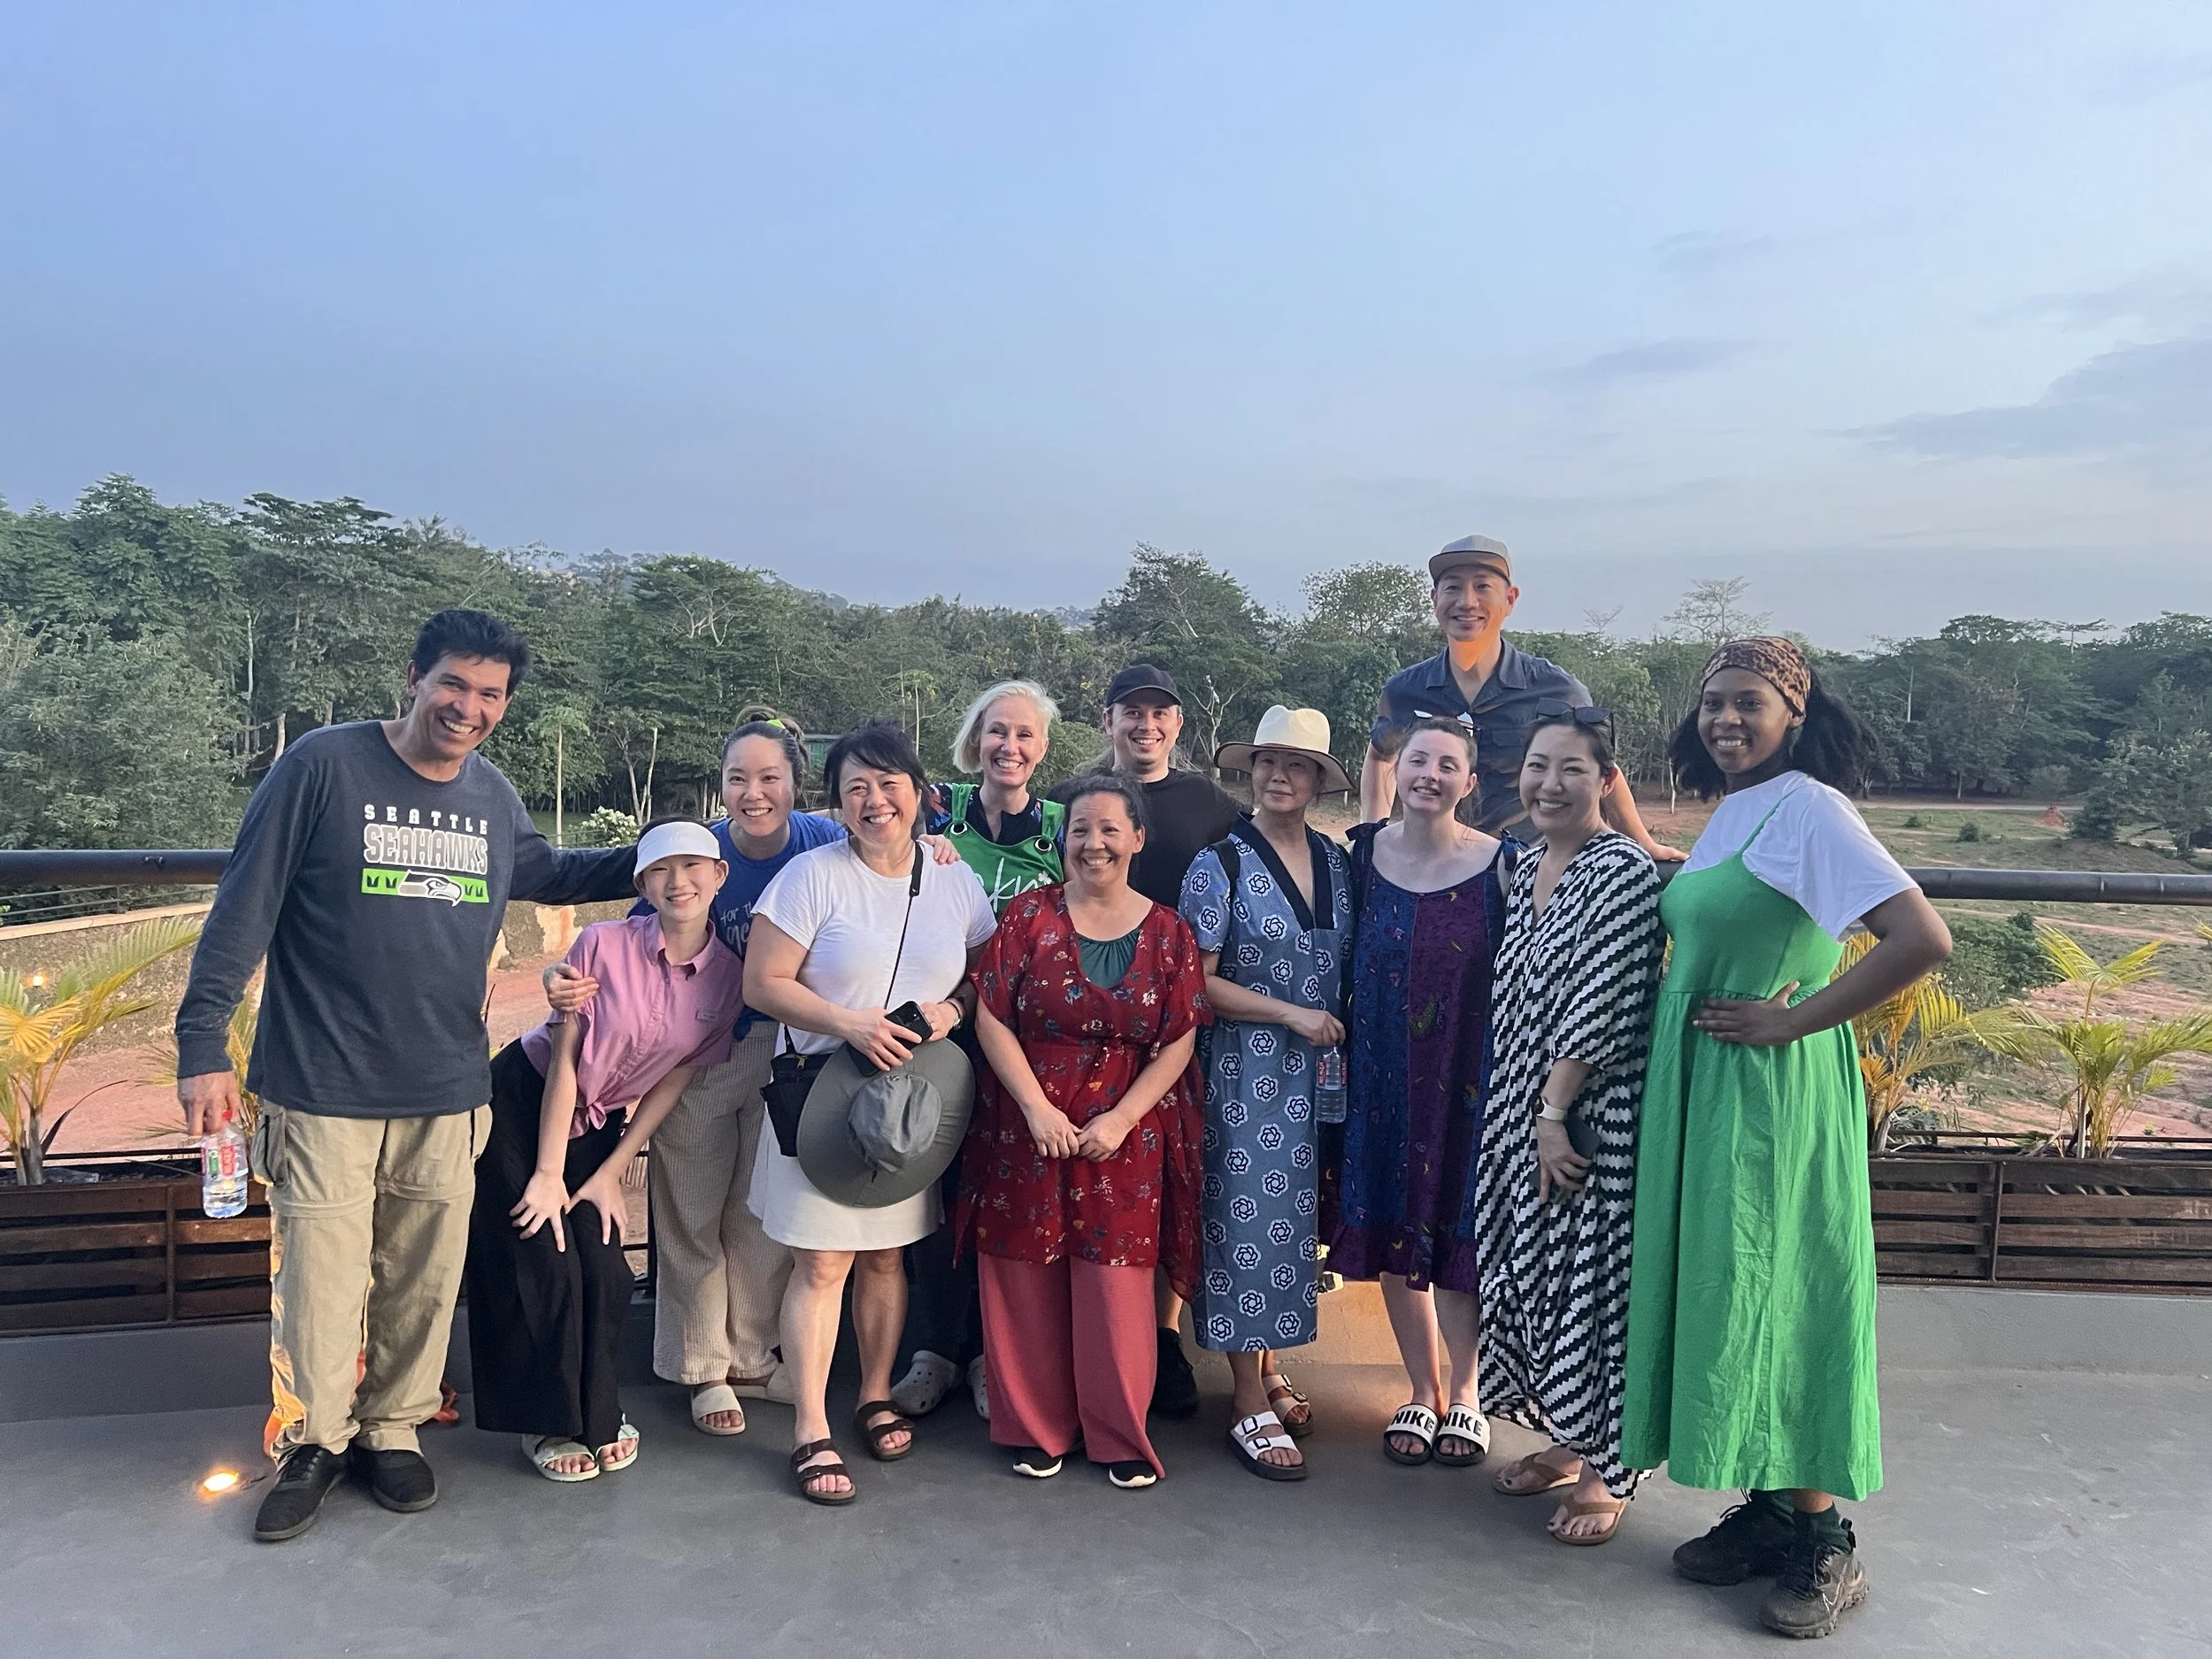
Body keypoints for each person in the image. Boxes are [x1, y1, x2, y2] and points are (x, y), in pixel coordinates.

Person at [173, 610, 639, 1543]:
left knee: (422, 1281)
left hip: (446, 1089)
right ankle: (314, 1442)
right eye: (453, 684)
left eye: (490, 694)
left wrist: (700, 852)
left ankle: (393, 1429)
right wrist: (202, 1044)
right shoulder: (322, 766)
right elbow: (244, 904)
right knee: (319, 1280)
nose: (469, 707)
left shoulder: (492, 795)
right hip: (321, 1084)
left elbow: (553, 870)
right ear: (415, 677)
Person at [1622, 638, 1950, 1640]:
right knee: (1734, 1283)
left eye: (1749, 703)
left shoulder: (1811, 808)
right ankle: (1770, 1509)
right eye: (1713, 703)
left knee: (1784, 1285)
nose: (1726, 719)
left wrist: (1794, 1021)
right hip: (1713, 1085)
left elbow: (1921, 938)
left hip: (1769, 1093)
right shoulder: (1739, 809)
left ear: (1793, 714)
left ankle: (1825, 1539)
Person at [547, 712, 837, 1434]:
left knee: (761, 1210)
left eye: (770, 777)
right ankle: (702, 1363)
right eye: (739, 778)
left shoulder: (821, 842)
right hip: (699, 1052)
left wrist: (937, 845)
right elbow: (632, 939)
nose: (754, 792)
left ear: (795, 782)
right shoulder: (697, 853)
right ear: (722, 785)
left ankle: (750, 1353)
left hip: (789, 1047)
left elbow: (893, 846)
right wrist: (561, 981)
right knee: (692, 1206)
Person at [742, 721, 998, 1505]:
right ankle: (810, 1425)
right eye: (856, 787)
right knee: (822, 1264)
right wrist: (849, 1022)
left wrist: (955, 1008)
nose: (874, 800)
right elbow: (762, 982)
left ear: (921, 793)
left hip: (908, 1107)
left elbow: (982, 971)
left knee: (887, 1257)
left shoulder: (953, 878)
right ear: (838, 802)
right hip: (823, 1095)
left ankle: (874, 1393)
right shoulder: (811, 877)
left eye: (889, 784)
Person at [467, 819, 744, 1481]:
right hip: (524, 1102)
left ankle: (597, 1415)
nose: (677, 882)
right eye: (660, 870)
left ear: (719, 876)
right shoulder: (602, 944)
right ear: (642, 884)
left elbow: (673, 1080)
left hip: (596, 1125)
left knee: (604, 1262)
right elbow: (565, 1058)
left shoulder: (729, 978)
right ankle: (546, 1422)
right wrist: (547, 1171)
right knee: (541, 1254)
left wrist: (612, 1170)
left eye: (692, 866)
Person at [956, 772, 1210, 1487]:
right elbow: (992, 1014)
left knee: (1115, 1280)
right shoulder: (1028, 916)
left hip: (1126, 1130)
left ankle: (1118, 1431)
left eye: (1109, 829)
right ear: (1062, 840)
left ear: (1137, 838)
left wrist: (1125, 1116)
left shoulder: (1170, 931)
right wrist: (1035, 1107)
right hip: (1026, 1120)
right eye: (1080, 830)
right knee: (1024, 1271)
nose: (1093, 843)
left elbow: (1179, 1037)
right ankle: (1036, 1427)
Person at [1474, 706, 1663, 1545]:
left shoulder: (1621, 871)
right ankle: (1567, 1436)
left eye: (1572, 769)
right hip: (1524, 1104)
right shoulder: (1525, 864)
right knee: (1539, 1274)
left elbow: (1602, 1002)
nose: (1550, 784)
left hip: (1589, 1116)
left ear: (1607, 781)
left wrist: (1554, 1116)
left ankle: (1606, 1471)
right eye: (1538, 766)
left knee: (1595, 1287)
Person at [1048, 663, 1240, 1417]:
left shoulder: (1210, 804)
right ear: (1109, 720)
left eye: (1160, 713)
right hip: (1078, 1021)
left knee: (1166, 1184)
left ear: (1178, 724)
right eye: (1132, 711)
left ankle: (1161, 1337)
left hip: (1174, 1021)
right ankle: (1079, 1343)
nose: (1146, 724)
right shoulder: (1072, 797)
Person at [1329, 717, 1509, 1471]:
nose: (1430, 774)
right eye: (1417, 760)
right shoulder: (1363, 855)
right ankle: (1421, 1387)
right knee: (1397, 1223)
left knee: (1460, 1228)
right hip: (1381, 1076)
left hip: (1470, 1077)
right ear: (1397, 770)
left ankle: (1466, 1391)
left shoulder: (1503, 863)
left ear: (1470, 782)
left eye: (1447, 764)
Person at [1179, 707, 1354, 1480]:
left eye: (1297, 764)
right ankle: (1245, 1393)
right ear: (1250, 771)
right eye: (1268, 761)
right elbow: (1197, 982)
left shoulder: (1336, 861)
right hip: (1244, 1073)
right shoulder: (1217, 865)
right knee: (1244, 1218)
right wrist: (1289, 1013)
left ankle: (1271, 1363)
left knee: (1293, 1226)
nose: (1280, 775)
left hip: (1319, 1077)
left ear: (1318, 779)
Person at [893, 681, 1067, 1425]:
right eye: (997, 731)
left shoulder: (1062, 827)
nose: (1010, 746)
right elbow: (866, 832)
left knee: (1008, 1198)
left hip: (1031, 1043)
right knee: (934, 1190)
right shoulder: (939, 811)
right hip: (946, 1029)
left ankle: (996, 1355)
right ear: (975, 738)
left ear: (1043, 747)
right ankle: (935, 1347)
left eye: (1024, 734)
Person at [1361, 534, 1682, 862]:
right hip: (1429, 870)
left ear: (1510, 600)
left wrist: (1644, 844)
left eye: (1483, 587)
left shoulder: (1556, 691)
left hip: (1525, 870)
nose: (1467, 602)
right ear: (1435, 599)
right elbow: (1381, 756)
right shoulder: (1404, 691)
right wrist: (1372, 835)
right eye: (1453, 587)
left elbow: (1603, 768)